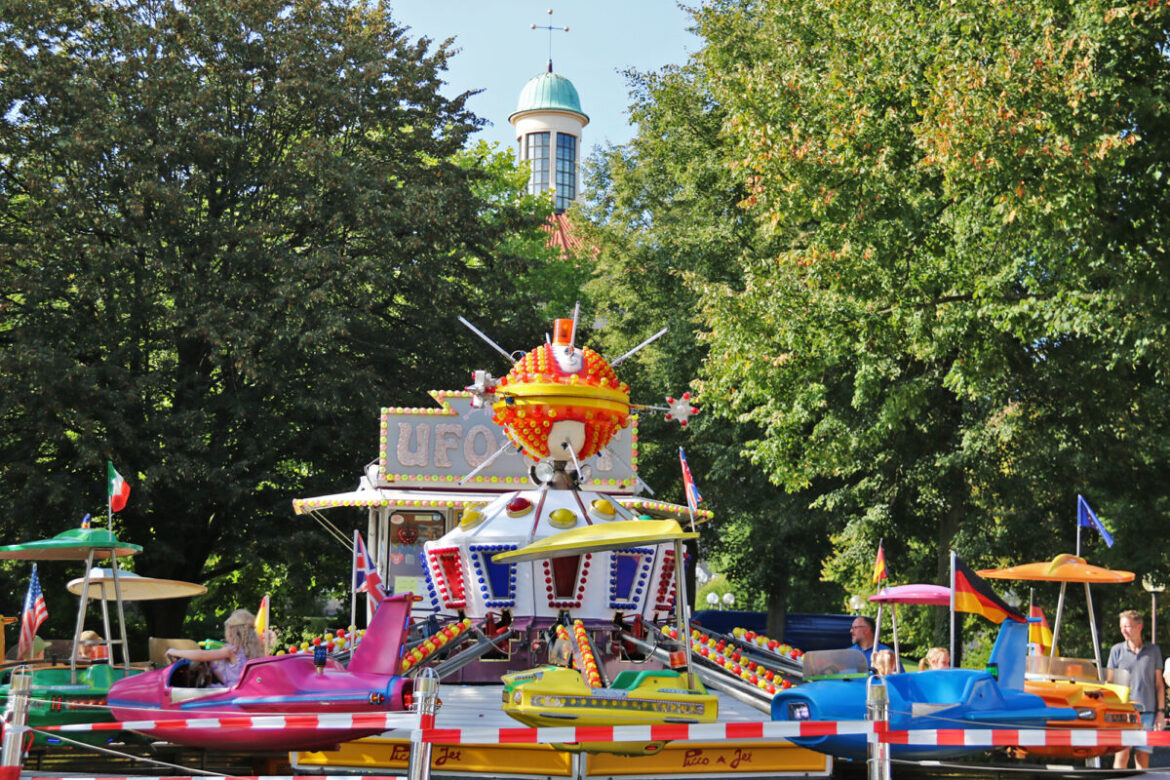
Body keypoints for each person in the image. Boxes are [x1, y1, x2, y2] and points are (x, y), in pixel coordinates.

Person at [1108, 609, 1164, 769]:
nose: (1123, 630)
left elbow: (1159, 684)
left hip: (1147, 713)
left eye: (1127, 626)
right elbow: (1110, 684)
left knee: (1142, 758)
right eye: (1121, 627)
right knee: (1121, 755)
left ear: (1139, 627)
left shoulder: (1153, 651)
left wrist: (1160, 713)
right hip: (1124, 714)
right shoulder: (1116, 650)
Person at [165, 609, 263, 687]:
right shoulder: (255, 652)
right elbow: (229, 679)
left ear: (231, 631)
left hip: (232, 696)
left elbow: (202, 655)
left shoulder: (231, 651)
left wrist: (175, 652)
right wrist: (212, 666)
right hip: (244, 692)